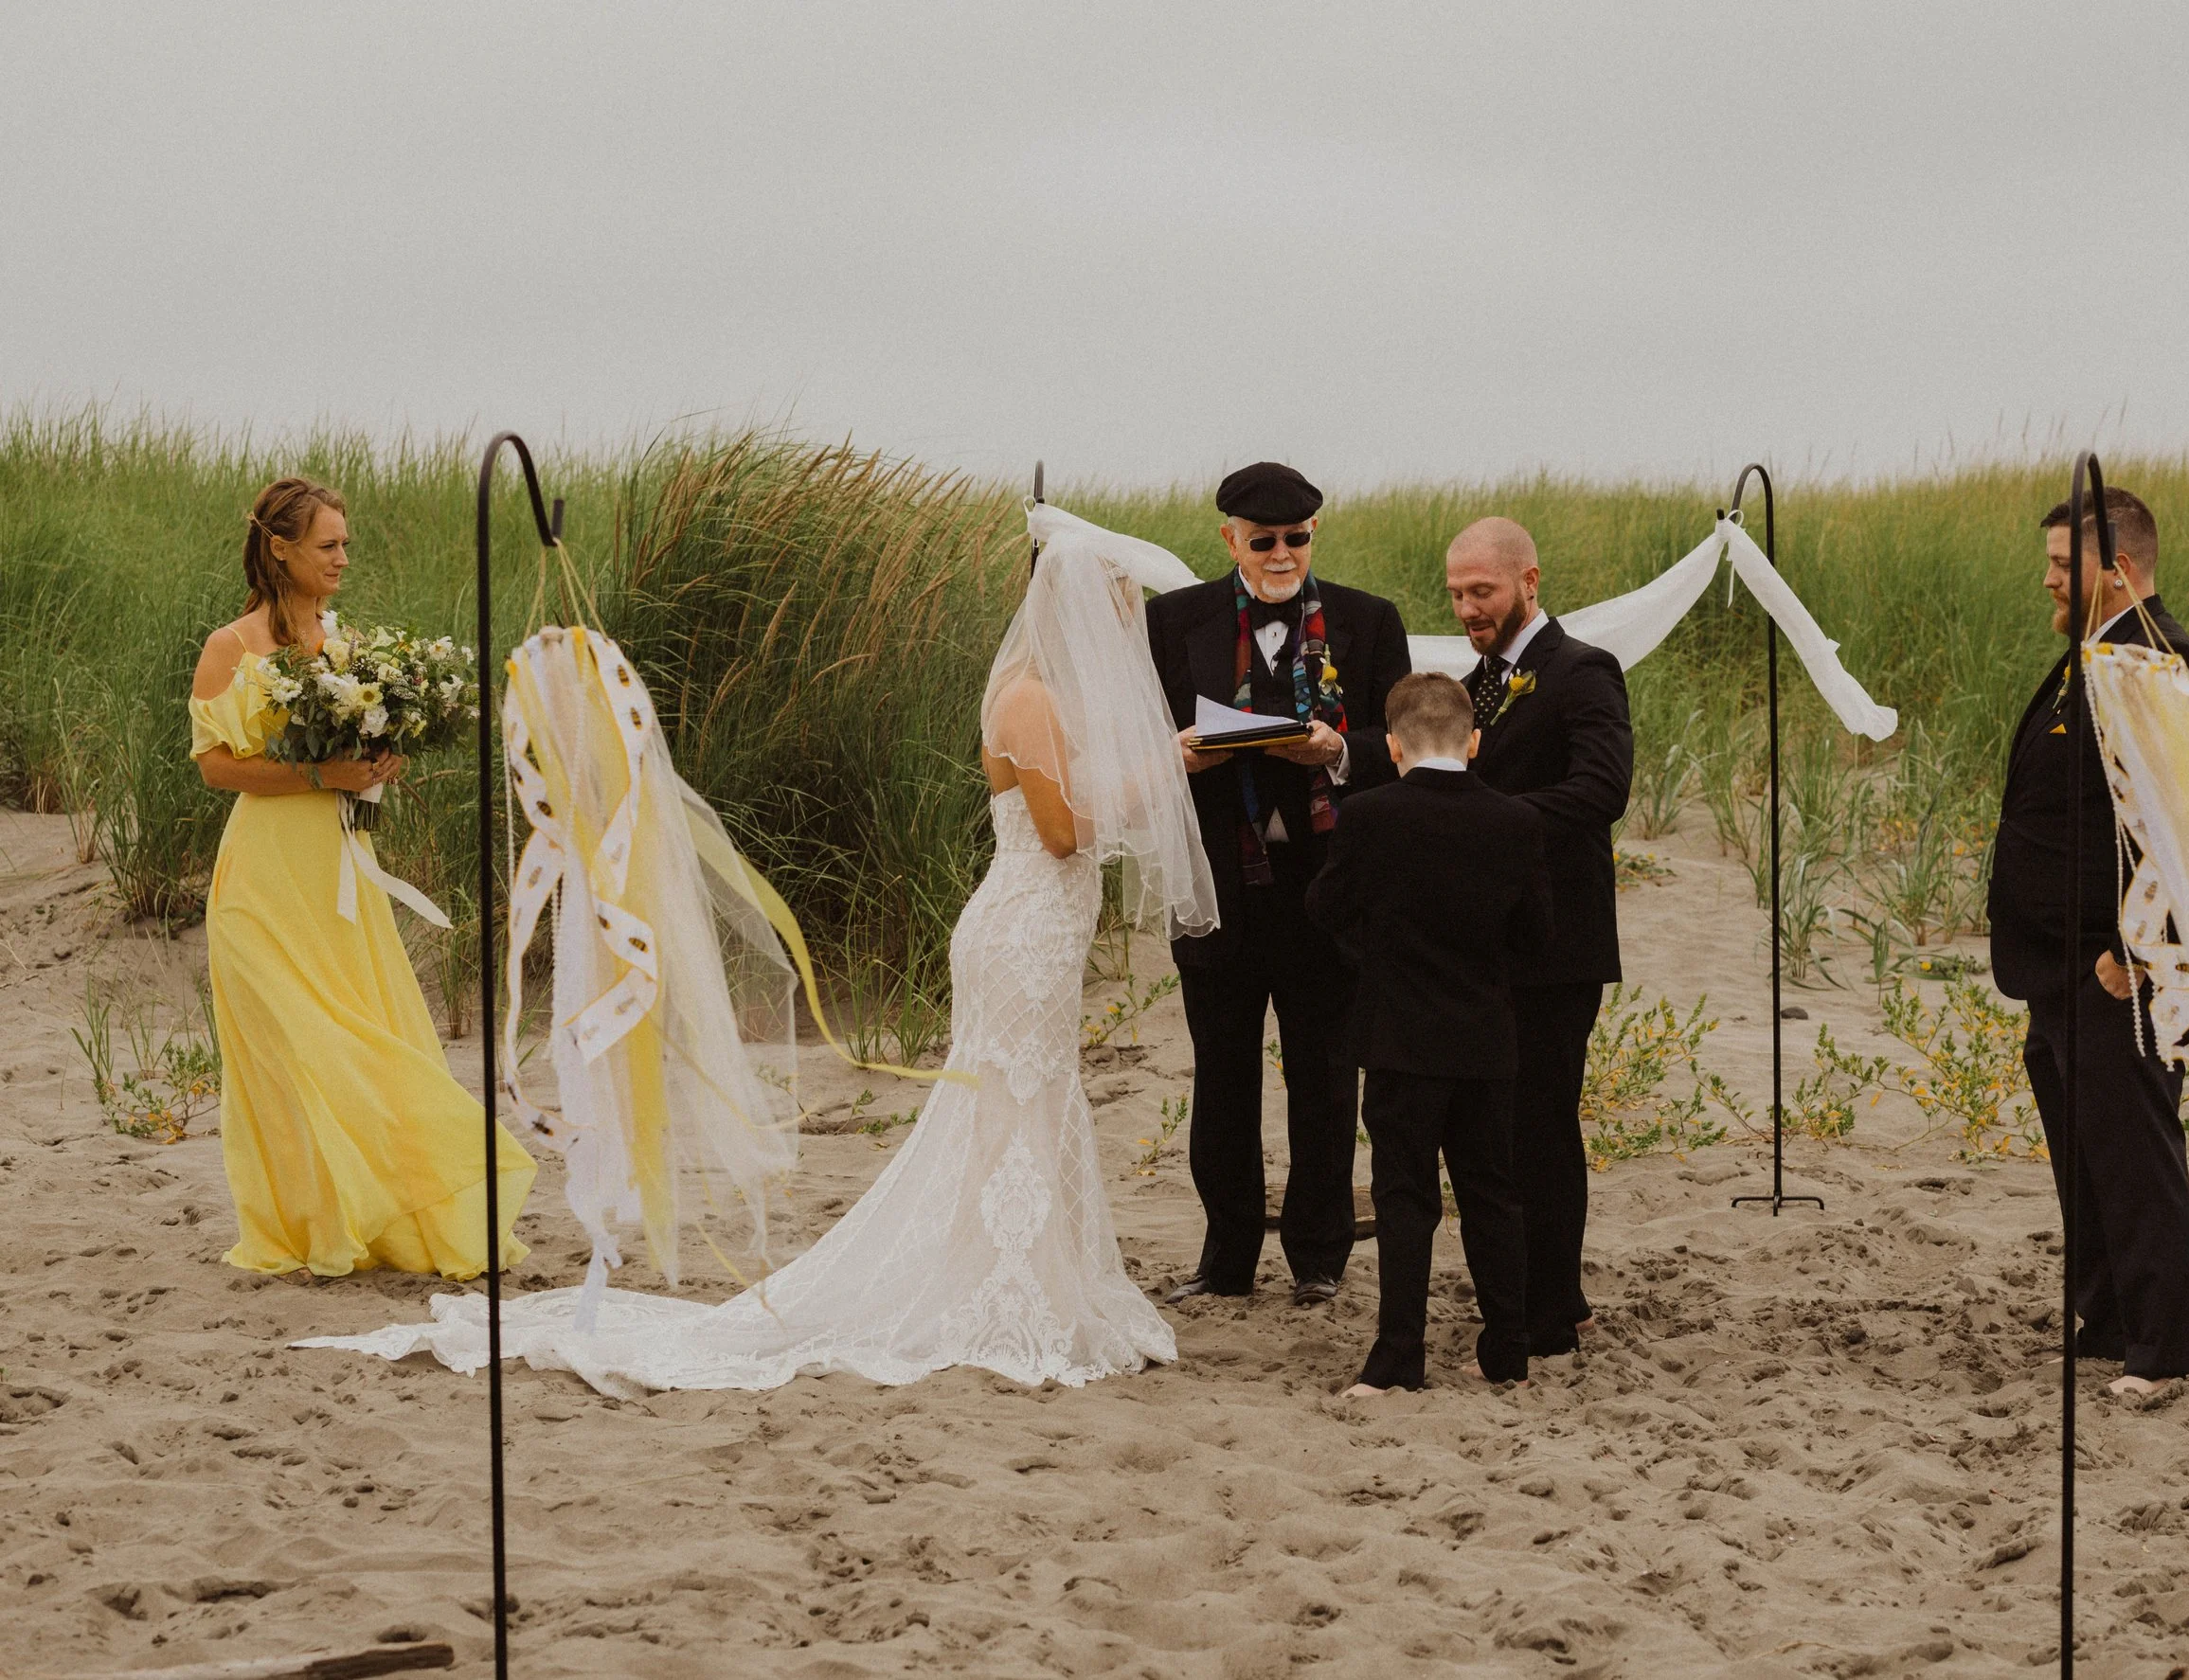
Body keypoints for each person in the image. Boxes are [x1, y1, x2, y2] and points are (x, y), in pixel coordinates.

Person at [299, 505, 1216, 1394]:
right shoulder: (1028, 699)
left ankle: (1034, 1280)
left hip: (1044, 930)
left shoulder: (1057, 699)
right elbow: (1063, 833)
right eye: (1117, 603)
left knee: (1033, 1099)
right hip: (1020, 926)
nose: (1125, 621)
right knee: (1011, 1102)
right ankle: (1007, 1289)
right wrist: (1166, 767)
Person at [189, 476, 534, 1279]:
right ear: (282, 549)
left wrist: (382, 760)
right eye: (328, 545)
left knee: (364, 1041)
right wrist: (321, 778)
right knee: (294, 1050)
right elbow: (214, 767)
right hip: (262, 882)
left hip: (340, 875)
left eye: (345, 543)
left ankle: (403, 1201)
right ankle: (310, 1225)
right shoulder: (230, 648)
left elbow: (367, 755)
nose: (343, 558)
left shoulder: (349, 650)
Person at [1145, 463, 1412, 1308]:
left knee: (1327, 1076)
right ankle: (1225, 1261)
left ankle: (1319, 1258)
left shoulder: (1370, 622)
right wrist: (1177, 754)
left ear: (1314, 536)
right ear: (1228, 540)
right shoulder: (1170, 622)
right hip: (1218, 887)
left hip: (1326, 889)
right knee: (1221, 1076)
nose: (1281, 553)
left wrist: (1336, 750)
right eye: (1262, 540)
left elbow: (1402, 741)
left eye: (1296, 538)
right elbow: (1134, 738)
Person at [1989, 486, 2189, 1397]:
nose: (2045, 578)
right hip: (2055, 963)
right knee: (2083, 1152)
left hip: (2116, 965)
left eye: (2060, 564)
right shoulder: (2091, 654)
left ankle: (2164, 1351)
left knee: (2132, 1151)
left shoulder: (2158, 664)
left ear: (2117, 569)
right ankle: (2112, 1316)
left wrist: (2137, 953)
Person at [1308, 673, 1551, 1393]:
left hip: (1399, 1039)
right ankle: (1507, 1348)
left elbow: (1327, 907)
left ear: (1392, 745)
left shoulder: (1372, 816)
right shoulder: (1518, 822)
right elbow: (1536, 938)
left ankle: (1398, 1358)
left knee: (1404, 1195)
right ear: (1474, 742)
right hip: (1485, 1038)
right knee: (1491, 1194)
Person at [1444, 517, 1632, 1357]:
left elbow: (1601, 789)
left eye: (1480, 591)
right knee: (1502, 1124)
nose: (1466, 608)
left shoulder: (1583, 670)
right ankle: (1541, 1293)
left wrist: (1484, 821)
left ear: (1529, 581)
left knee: (1544, 1125)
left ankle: (1554, 1309)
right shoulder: (1473, 682)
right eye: (1454, 594)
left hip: (1559, 942)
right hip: (1492, 944)